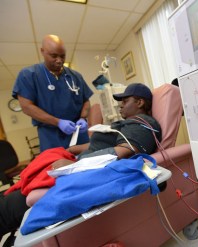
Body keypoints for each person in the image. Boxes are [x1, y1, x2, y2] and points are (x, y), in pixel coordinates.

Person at [0, 83, 161, 243]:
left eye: (125, 101)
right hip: (79, 163)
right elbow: (100, 145)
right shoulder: (125, 125)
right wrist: (72, 150)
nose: (120, 105)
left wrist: (73, 166)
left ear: (139, 102)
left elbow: (122, 151)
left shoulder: (142, 123)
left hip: (80, 172)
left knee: (6, 209)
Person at [12, 34, 93, 152]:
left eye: (62, 56)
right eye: (54, 56)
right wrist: (58, 122)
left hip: (78, 133)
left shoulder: (75, 76)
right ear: (42, 51)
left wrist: (83, 118)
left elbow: (86, 100)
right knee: (58, 167)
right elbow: (26, 107)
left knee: (88, 163)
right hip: (51, 136)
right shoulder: (28, 75)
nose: (59, 60)